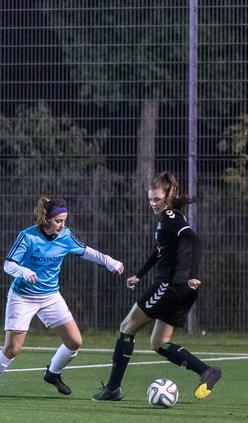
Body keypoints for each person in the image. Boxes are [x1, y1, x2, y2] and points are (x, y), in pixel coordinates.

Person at [0, 196, 123, 402]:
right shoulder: (27, 236)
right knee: (13, 348)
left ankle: (52, 373)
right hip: (23, 296)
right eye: (58, 221)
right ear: (46, 219)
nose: (62, 225)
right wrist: (23, 271)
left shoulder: (65, 236)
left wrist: (109, 261)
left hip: (50, 296)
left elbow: (87, 252)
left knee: (74, 341)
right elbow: (8, 265)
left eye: (64, 221)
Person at [93, 171, 222, 401]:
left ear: (169, 195)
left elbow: (195, 240)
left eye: (157, 199)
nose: (153, 203)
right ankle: (206, 371)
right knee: (159, 343)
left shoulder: (170, 216)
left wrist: (193, 274)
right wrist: (140, 275)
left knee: (127, 326)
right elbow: (160, 251)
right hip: (184, 290)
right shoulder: (172, 218)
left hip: (170, 286)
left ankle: (112, 389)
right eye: (150, 199)